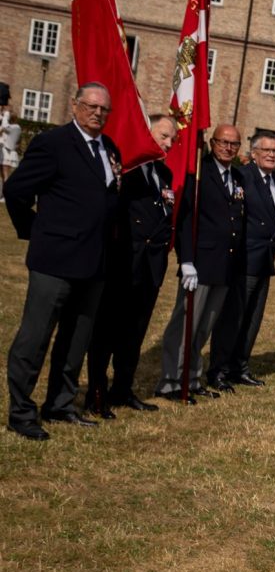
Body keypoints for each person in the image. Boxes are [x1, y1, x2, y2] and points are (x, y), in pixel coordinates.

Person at [4, 83, 120, 440]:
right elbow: (15, 190)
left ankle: (60, 404)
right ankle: (21, 412)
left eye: (104, 109)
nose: (98, 113)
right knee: (36, 337)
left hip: (94, 261)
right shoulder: (53, 144)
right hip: (55, 259)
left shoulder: (109, 148)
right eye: (91, 106)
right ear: (74, 105)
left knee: (76, 340)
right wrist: (36, 231)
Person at [84, 114, 177, 418]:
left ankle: (122, 388)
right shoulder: (126, 169)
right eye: (163, 136)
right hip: (124, 262)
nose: (168, 143)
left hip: (151, 267)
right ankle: (96, 392)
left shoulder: (163, 173)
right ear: (146, 134)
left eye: (172, 138)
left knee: (134, 334)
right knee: (107, 331)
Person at [154, 124, 247, 403]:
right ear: (212, 143)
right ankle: (171, 381)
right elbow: (185, 218)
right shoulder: (199, 174)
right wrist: (187, 260)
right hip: (201, 263)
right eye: (223, 142)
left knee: (204, 326)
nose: (228, 148)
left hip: (224, 264)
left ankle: (192, 378)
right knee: (185, 325)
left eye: (234, 144)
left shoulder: (238, 176)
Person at [207, 131, 275, 391]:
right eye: (265, 150)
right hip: (244, 259)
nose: (271, 155)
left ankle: (239, 366)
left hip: (265, 260)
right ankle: (218, 370)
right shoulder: (244, 176)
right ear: (253, 153)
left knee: (253, 319)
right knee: (233, 317)